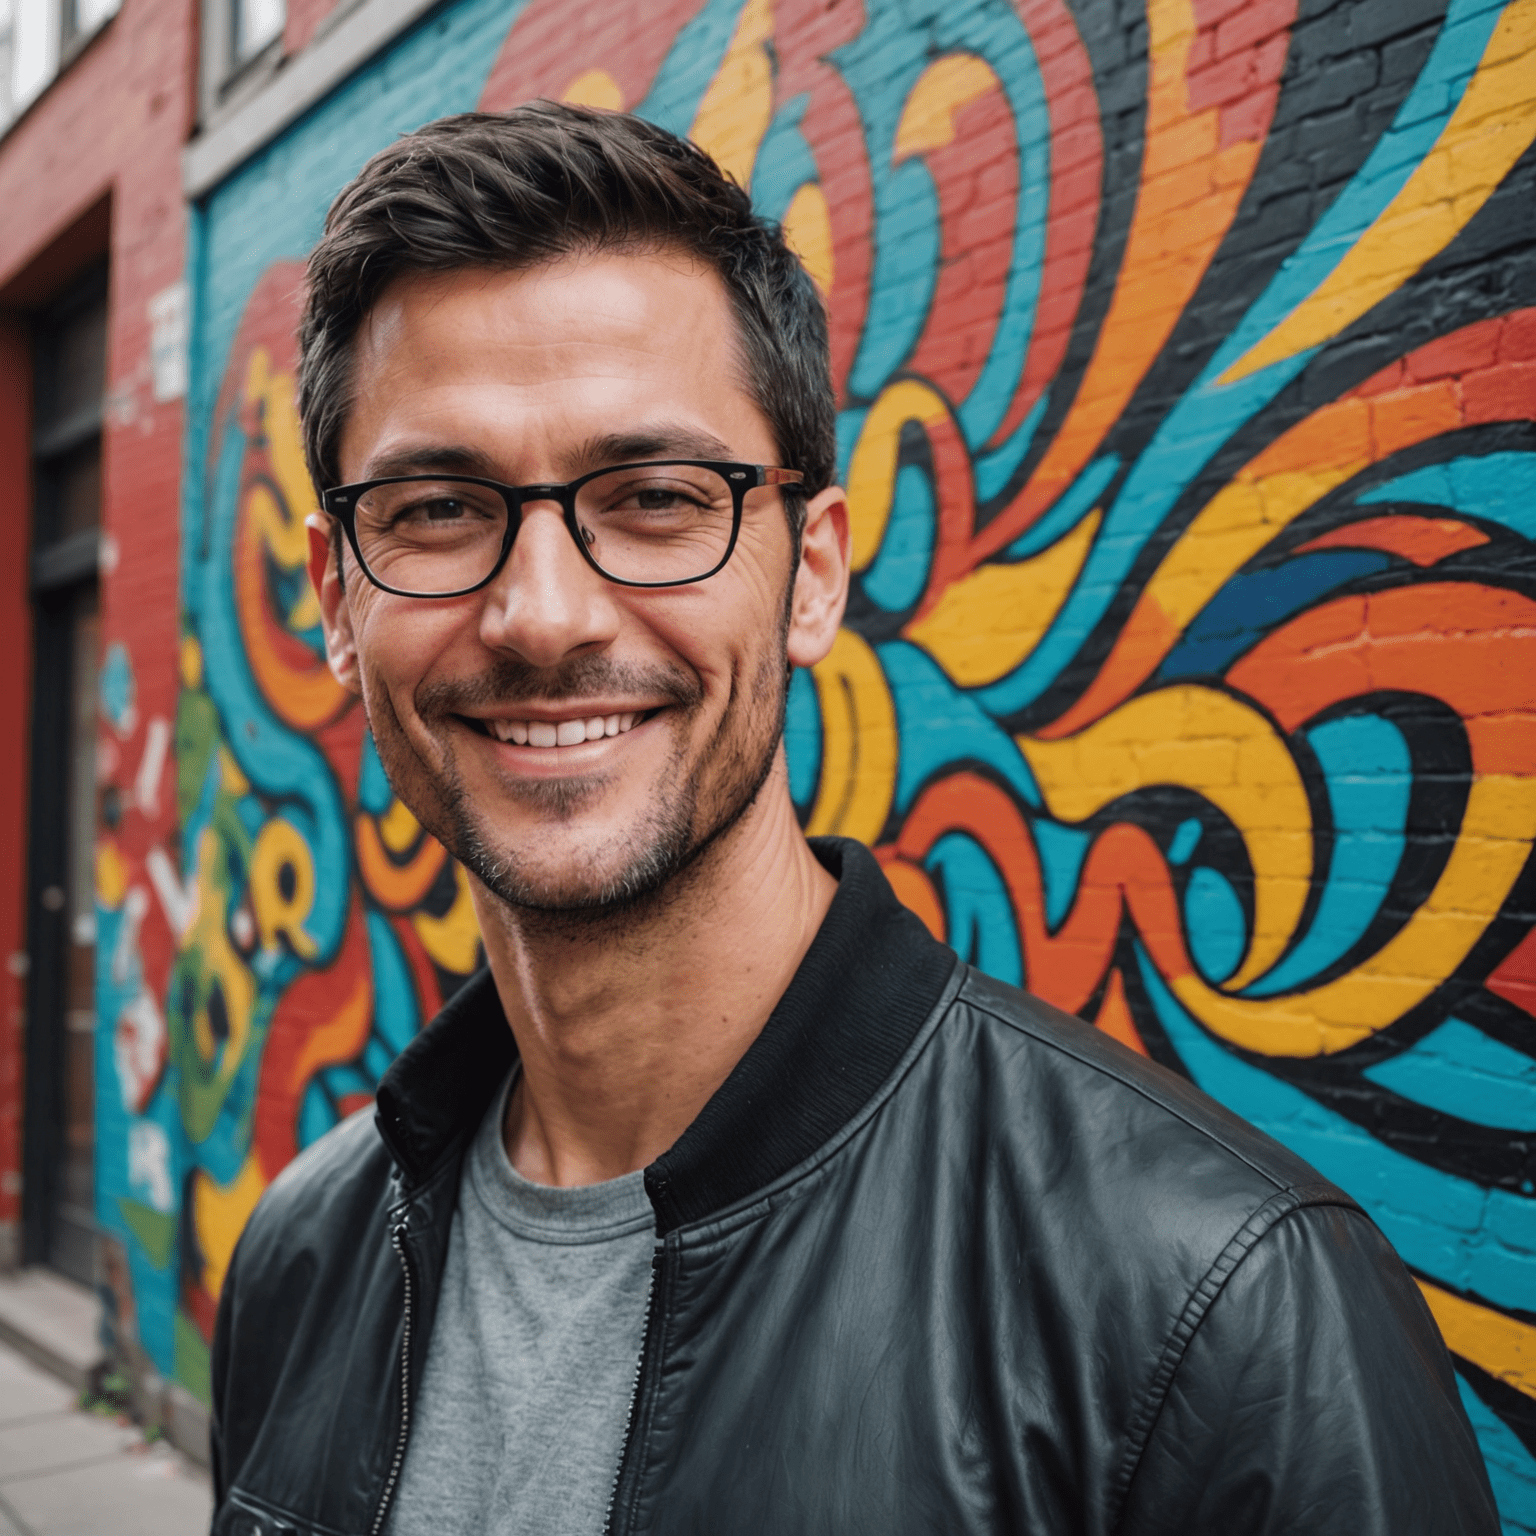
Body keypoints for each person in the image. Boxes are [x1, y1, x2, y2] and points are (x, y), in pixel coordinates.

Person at [209, 103, 1497, 1536]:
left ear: (811, 572)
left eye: (652, 498)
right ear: (337, 599)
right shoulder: (305, 1258)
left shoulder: (1219, 1313)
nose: (543, 615)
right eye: (440, 510)